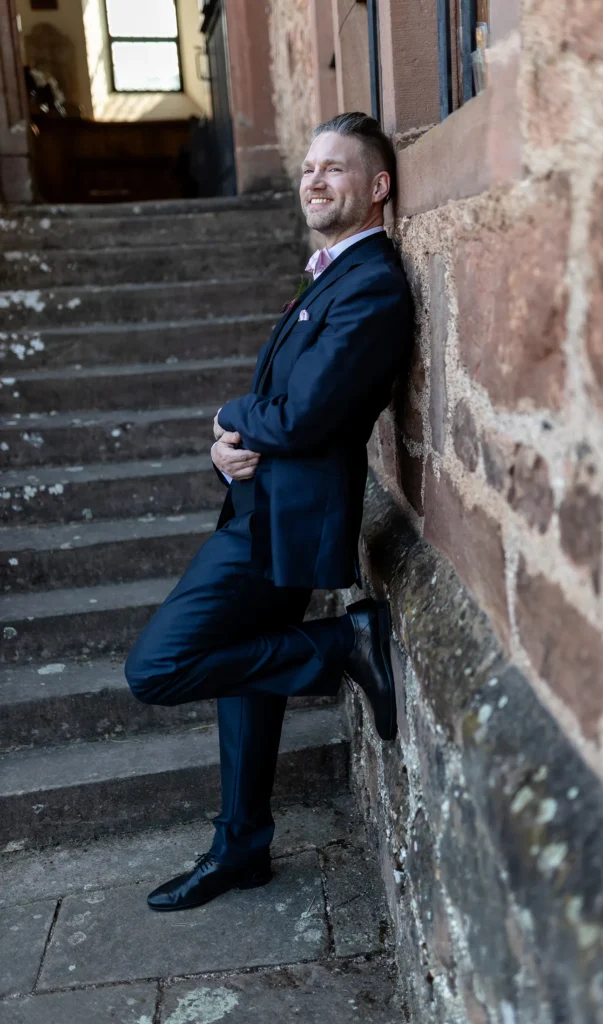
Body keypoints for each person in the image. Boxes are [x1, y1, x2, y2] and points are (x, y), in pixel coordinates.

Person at [125, 112, 414, 912]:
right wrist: (225, 448)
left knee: (156, 668)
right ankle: (242, 848)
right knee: (246, 675)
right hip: (264, 510)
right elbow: (276, 405)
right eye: (308, 168)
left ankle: (340, 643)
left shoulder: (372, 285)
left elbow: (302, 416)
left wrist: (227, 415)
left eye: (335, 169)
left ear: (377, 187)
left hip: (280, 526)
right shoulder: (331, 276)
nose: (314, 180)